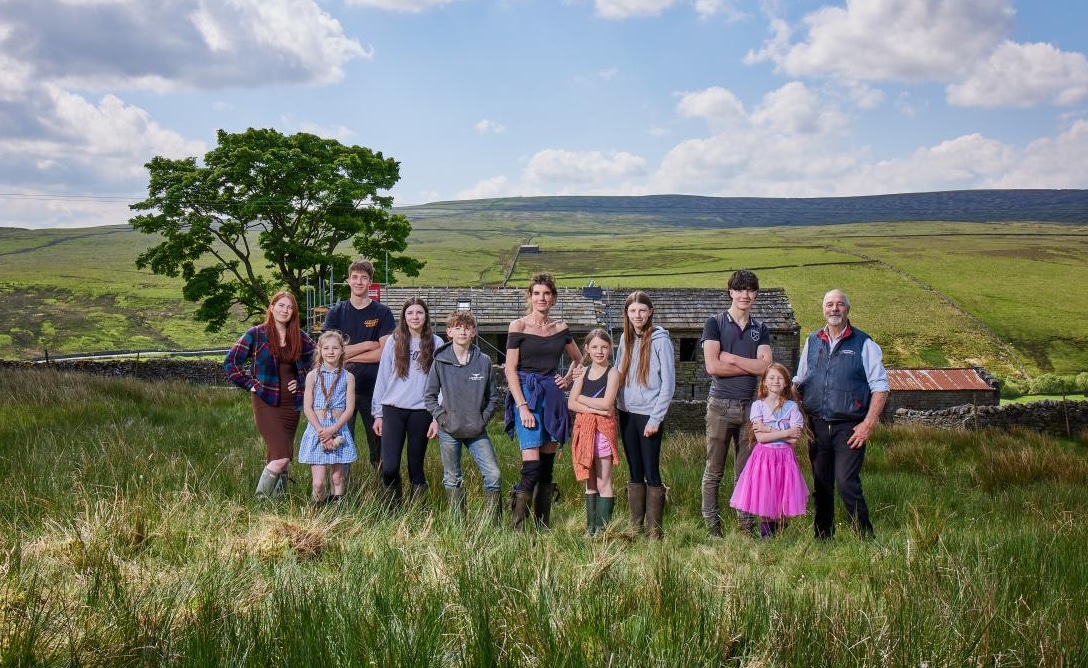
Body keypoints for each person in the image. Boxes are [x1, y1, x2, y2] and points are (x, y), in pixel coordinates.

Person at [794, 289, 888, 540]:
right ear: (823, 309)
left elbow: (880, 386)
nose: (834, 309)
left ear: (848, 309)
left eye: (840, 305)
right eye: (829, 304)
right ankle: (823, 537)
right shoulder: (812, 340)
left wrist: (868, 423)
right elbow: (800, 379)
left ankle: (864, 537)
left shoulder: (864, 343)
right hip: (816, 424)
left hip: (850, 427)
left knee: (847, 483)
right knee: (821, 484)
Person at [504, 272, 582, 530]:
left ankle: (542, 526)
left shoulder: (561, 328)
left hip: (553, 397)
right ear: (530, 296)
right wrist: (522, 406)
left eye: (546, 294)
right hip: (526, 394)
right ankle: (517, 528)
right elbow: (510, 370)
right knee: (532, 465)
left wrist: (568, 380)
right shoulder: (518, 326)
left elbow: (579, 359)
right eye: (537, 293)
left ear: (554, 298)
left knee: (547, 467)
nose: (541, 298)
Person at [701, 269, 773, 537]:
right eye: (740, 289)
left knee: (745, 473)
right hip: (720, 405)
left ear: (755, 294)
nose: (745, 294)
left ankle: (745, 528)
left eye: (750, 290)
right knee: (714, 471)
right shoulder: (715, 323)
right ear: (730, 292)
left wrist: (731, 358)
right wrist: (752, 366)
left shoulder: (760, 328)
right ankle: (713, 528)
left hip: (751, 408)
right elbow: (712, 366)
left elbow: (766, 368)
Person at [224, 290, 315, 500]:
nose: (285, 310)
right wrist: (250, 385)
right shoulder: (256, 333)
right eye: (281, 306)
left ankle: (277, 504)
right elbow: (230, 362)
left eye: (290, 307)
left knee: (277, 456)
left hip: (291, 404)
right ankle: (260, 500)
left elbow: (319, 360)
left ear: (294, 312)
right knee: (282, 455)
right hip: (265, 400)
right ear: (272, 308)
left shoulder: (299, 336)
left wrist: (301, 382)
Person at [424, 310, 502, 524]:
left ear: (474, 332)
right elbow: (429, 396)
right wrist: (442, 419)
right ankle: (459, 524)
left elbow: (493, 397)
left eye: (467, 328)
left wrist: (482, 419)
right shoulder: (440, 361)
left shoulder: (483, 361)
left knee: (493, 475)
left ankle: (490, 524)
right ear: (449, 332)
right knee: (452, 478)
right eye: (457, 328)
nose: (462, 332)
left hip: (476, 430)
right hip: (450, 430)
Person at [322, 260, 396, 476]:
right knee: (341, 447)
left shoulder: (382, 313)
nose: (359, 282)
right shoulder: (336, 312)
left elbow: (385, 353)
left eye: (364, 278)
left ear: (371, 282)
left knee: (380, 449)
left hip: (375, 392)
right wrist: (366, 345)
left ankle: (386, 499)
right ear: (348, 281)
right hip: (340, 392)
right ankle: (340, 498)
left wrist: (345, 355)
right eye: (355, 277)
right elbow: (328, 352)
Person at [615, 291, 676, 539]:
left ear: (650, 312)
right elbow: (617, 375)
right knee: (634, 470)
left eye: (642, 310)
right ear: (627, 314)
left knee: (651, 470)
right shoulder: (624, 339)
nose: (637, 315)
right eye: (632, 311)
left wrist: (655, 418)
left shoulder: (661, 341)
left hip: (649, 414)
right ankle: (635, 527)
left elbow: (668, 384)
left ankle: (654, 532)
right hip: (626, 412)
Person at [372, 297, 442, 507]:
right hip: (393, 409)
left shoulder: (436, 343)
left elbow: (442, 382)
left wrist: (437, 416)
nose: (415, 317)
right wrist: (378, 413)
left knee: (416, 466)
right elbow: (383, 377)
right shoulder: (394, 341)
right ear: (404, 317)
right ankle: (393, 510)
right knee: (390, 466)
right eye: (410, 313)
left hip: (421, 411)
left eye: (419, 312)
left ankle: (417, 513)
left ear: (426, 316)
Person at [729, 363, 808, 537]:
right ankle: (767, 535)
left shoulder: (792, 407)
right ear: (764, 382)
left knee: (781, 493)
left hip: (785, 457)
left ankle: (779, 525)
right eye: (771, 378)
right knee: (766, 493)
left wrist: (769, 429)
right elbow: (761, 438)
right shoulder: (758, 406)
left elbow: (794, 439)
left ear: (787, 383)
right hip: (764, 457)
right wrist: (785, 432)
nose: (776, 381)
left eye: (780, 378)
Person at [568, 328, 621, 536]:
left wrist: (582, 399)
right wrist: (592, 408)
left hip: (604, 433)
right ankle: (590, 528)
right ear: (587, 349)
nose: (600, 351)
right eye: (595, 347)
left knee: (603, 481)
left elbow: (608, 403)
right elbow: (571, 402)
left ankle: (602, 529)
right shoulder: (583, 371)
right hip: (585, 431)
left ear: (610, 349)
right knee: (590, 481)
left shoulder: (613, 373)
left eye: (604, 347)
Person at [298, 330, 358, 504]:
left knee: (338, 478)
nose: (331, 352)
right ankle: (318, 516)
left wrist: (333, 429)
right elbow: (307, 407)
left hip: (338, 429)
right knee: (318, 483)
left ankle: (337, 514)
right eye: (326, 348)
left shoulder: (348, 377)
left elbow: (350, 408)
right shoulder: (312, 376)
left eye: (335, 348)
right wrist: (321, 431)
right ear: (320, 351)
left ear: (342, 351)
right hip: (318, 430)